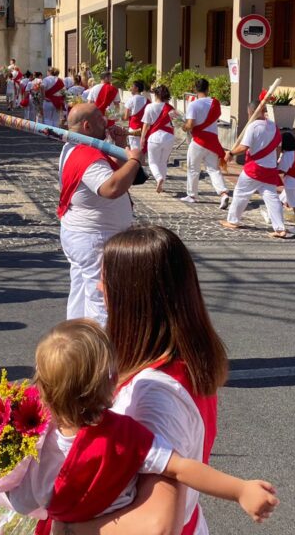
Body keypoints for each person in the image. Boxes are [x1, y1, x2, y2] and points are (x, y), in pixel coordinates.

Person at [20, 319, 278, 531]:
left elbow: (21, 498)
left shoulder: (34, 439)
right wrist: (240, 489)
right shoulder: (124, 438)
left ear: (42, 388)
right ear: (112, 382)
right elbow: (181, 468)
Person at [60, 226, 229, 534]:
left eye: (106, 280)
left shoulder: (155, 392)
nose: (99, 287)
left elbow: (157, 525)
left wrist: (69, 529)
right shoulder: (182, 362)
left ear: (131, 296)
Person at [58, 103, 139, 324]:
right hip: (95, 238)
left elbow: (119, 172)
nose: (107, 123)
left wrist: (121, 146)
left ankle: (77, 349)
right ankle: (102, 356)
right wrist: (135, 159)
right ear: (87, 126)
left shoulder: (78, 147)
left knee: (82, 293)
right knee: (101, 300)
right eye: (101, 121)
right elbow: (111, 188)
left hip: (85, 234)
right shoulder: (85, 154)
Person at [224, 97, 290, 238]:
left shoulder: (253, 127)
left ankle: (233, 220)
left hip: (254, 169)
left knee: (241, 193)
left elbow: (244, 147)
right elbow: (278, 147)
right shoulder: (274, 126)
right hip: (270, 168)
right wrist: (275, 162)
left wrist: (230, 152)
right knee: (272, 197)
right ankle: (280, 228)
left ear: (252, 112)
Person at [181, 78, 229, 208]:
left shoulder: (193, 105)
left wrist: (183, 127)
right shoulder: (215, 103)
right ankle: (223, 193)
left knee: (193, 168)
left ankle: (192, 195)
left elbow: (190, 124)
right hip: (212, 141)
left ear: (195, 90)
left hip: (198, 141)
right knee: (214, 169)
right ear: (208, 89)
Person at [122, 80, 148, 151]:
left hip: (134, 128)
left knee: (134, 151)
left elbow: (125, 117)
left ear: (136, 88)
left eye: (132, 86)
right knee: (142, 151)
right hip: (144, 129)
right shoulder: (147, 100)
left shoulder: (131, 100)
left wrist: (120, 117)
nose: (130, 88)